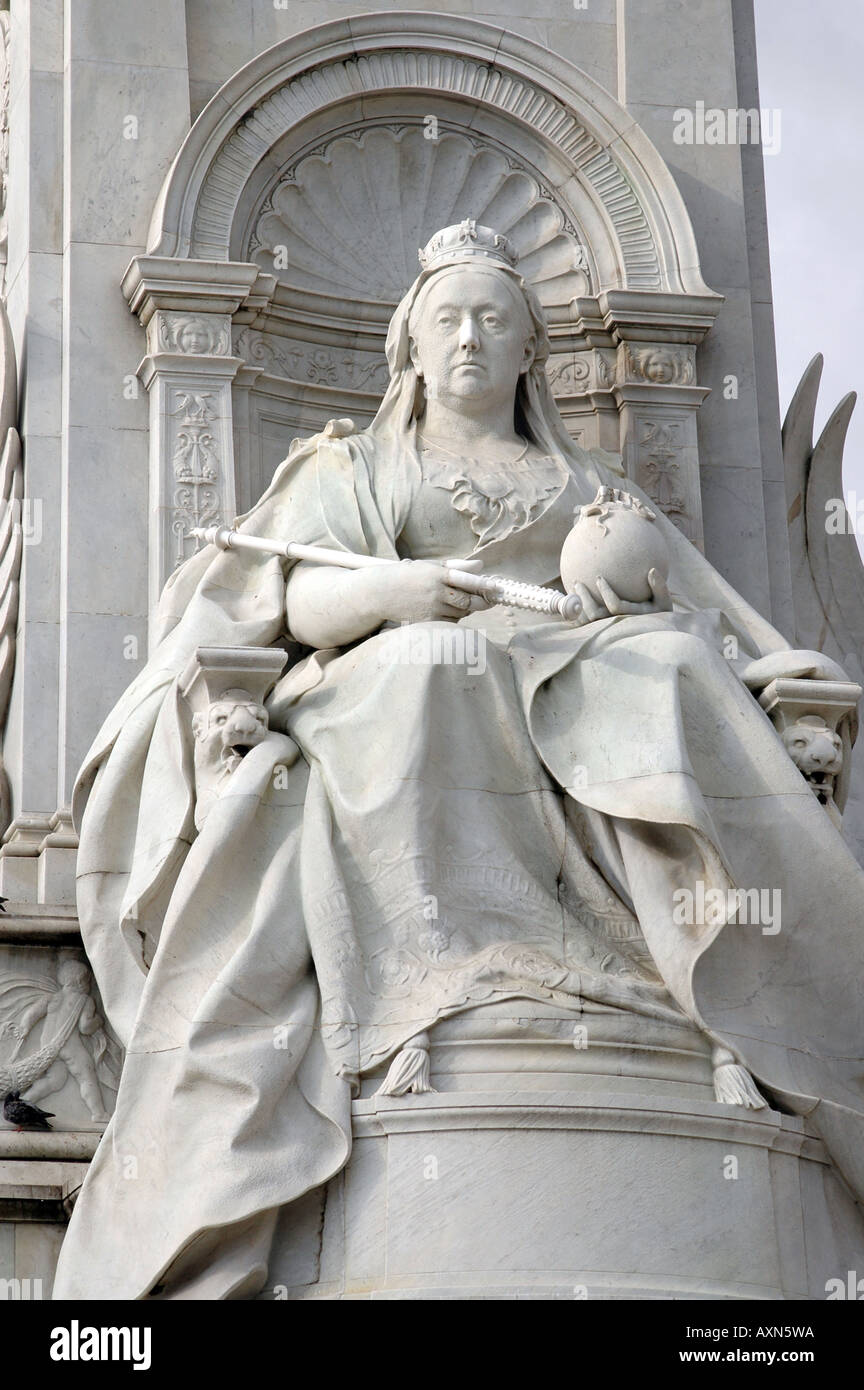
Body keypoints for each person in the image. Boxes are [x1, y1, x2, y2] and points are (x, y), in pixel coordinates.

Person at [54, 221, 864, 1300]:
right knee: (434, 663)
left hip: (574, 669)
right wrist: (393, 594)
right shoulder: (357, 466)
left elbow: (704, 612)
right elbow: (294, 596)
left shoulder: (582, 482)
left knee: (668, 669)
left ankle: (718, 987)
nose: (472, 338)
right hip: (394, 676)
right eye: (450, 319)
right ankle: (423, 997)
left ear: (532, 348)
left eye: (494, 319)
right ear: (412, 346)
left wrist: (777, 657)